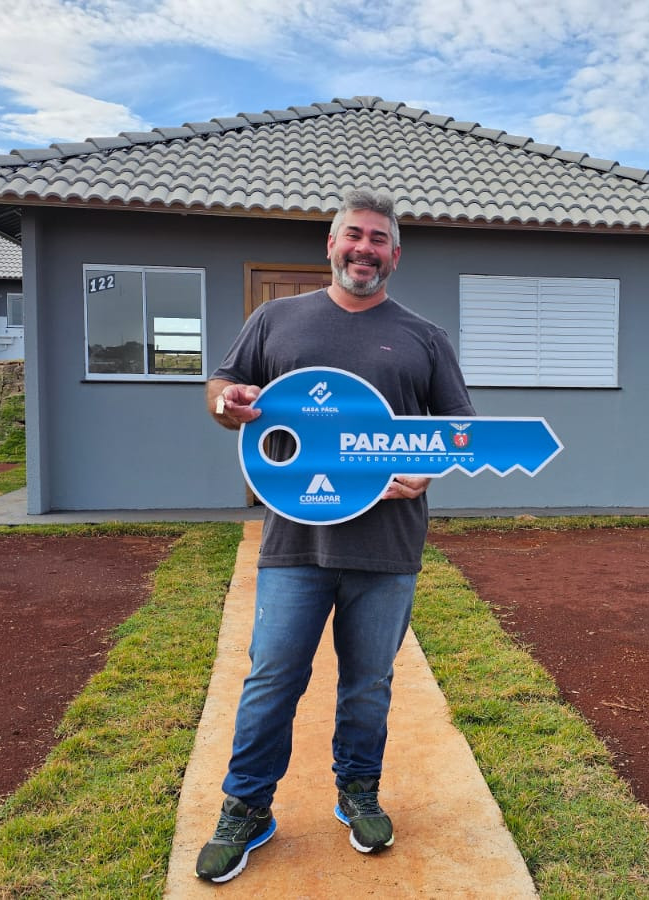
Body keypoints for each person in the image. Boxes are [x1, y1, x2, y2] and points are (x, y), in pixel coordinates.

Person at [195, 188, 475, 884]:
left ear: (395, 256)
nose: (364, 249)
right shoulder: (276, 319)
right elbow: (225, 388)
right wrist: (226, 403)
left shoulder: (423, 337)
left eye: (379, 240)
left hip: (387, 545)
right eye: (354, 235)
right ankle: (248, 807)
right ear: (330, 244)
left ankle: (357, 792)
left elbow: (456, 430)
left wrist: (429, 472)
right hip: (296, 542)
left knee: (368, 686)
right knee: (271, 679)